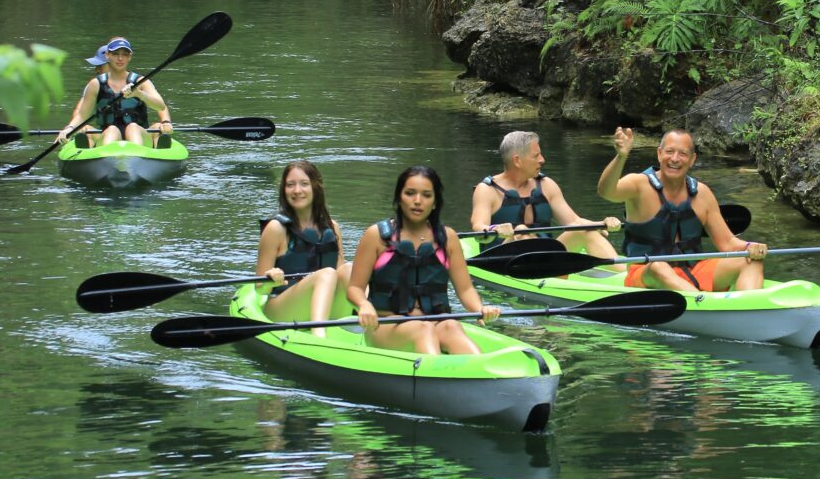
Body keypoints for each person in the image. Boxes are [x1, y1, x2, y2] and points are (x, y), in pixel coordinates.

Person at [347, 165, 499, 355]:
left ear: (435, 202)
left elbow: (466, 289)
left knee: (452, 326)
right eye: (410, 193)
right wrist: (364, 304)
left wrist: (480, 308)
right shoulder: (376, 236)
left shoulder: (448, 238)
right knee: (422, 330)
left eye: (426, 195)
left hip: (436, 320)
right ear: (399, 198)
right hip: (386, 325)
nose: (417, 201)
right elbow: (354, 289)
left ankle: (479, 373)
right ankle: (436, 378)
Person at [597, 127, 768, 292]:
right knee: (659, 267)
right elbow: (606, 192)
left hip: (693, 271)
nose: (675, 159)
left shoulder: (702, 193)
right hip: (647, 273)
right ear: (659, 154)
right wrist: (621, 157)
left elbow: (727, 243)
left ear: (692, 159)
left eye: (683, 154)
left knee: (751, 261)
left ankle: (747, 309)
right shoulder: (639, 184)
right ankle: (703, 305)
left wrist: (750, 246)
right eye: (669, 151)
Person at [470, 130, 623, 265]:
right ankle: (546, 272)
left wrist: (602, 223)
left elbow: (574, 222)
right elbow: (478, 227)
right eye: (536, 155)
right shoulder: (487, 190)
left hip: (546, 257)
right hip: (504, 261)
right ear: (517, 160)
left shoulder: (546, 185)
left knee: (582, 228)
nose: (542, 160)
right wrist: (493, 229)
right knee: (522, 231)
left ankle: (625, 276)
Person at [256, 160, 353, 339]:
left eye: (304, 184)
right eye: (290, 185)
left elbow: (342, 274)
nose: (297, 190)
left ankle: (370, 328)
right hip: (281, 309)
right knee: (327, 274)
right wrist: (271, 277)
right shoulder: (276, 228)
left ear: (316, 187)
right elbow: (260, 287)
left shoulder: (332, 227)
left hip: (324, 307)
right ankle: (318, 337)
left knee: (349, 269)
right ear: (284, 190)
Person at [56, 37, 172, 148]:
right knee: (110, 129)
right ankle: (99, 155)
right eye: (115, 54)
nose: (120, 58)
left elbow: (160, 106)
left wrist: (139, 94)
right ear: (107, 55)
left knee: (134, 127)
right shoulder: (96, 84)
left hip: (139, 134)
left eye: (124, 54)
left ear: (129, 57)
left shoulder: (140, 81)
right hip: (108, 134)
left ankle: (142, 154)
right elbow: (82, 115)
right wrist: (70, 128)